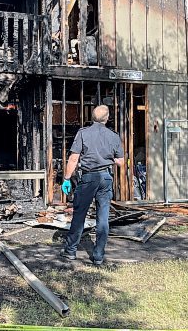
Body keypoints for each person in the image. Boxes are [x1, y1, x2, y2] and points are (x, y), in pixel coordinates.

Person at [60, 105, 124, 265]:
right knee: (103, 218)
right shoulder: (113, 136)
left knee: (80, 214)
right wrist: (110, 159)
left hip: (89, 178)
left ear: (93, 118)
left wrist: (67, 178)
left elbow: (74, 158)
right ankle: (98, 256)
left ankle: (70, 251)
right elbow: (121, 162)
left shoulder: (83, 133)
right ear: (107, 118)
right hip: (105, 178)